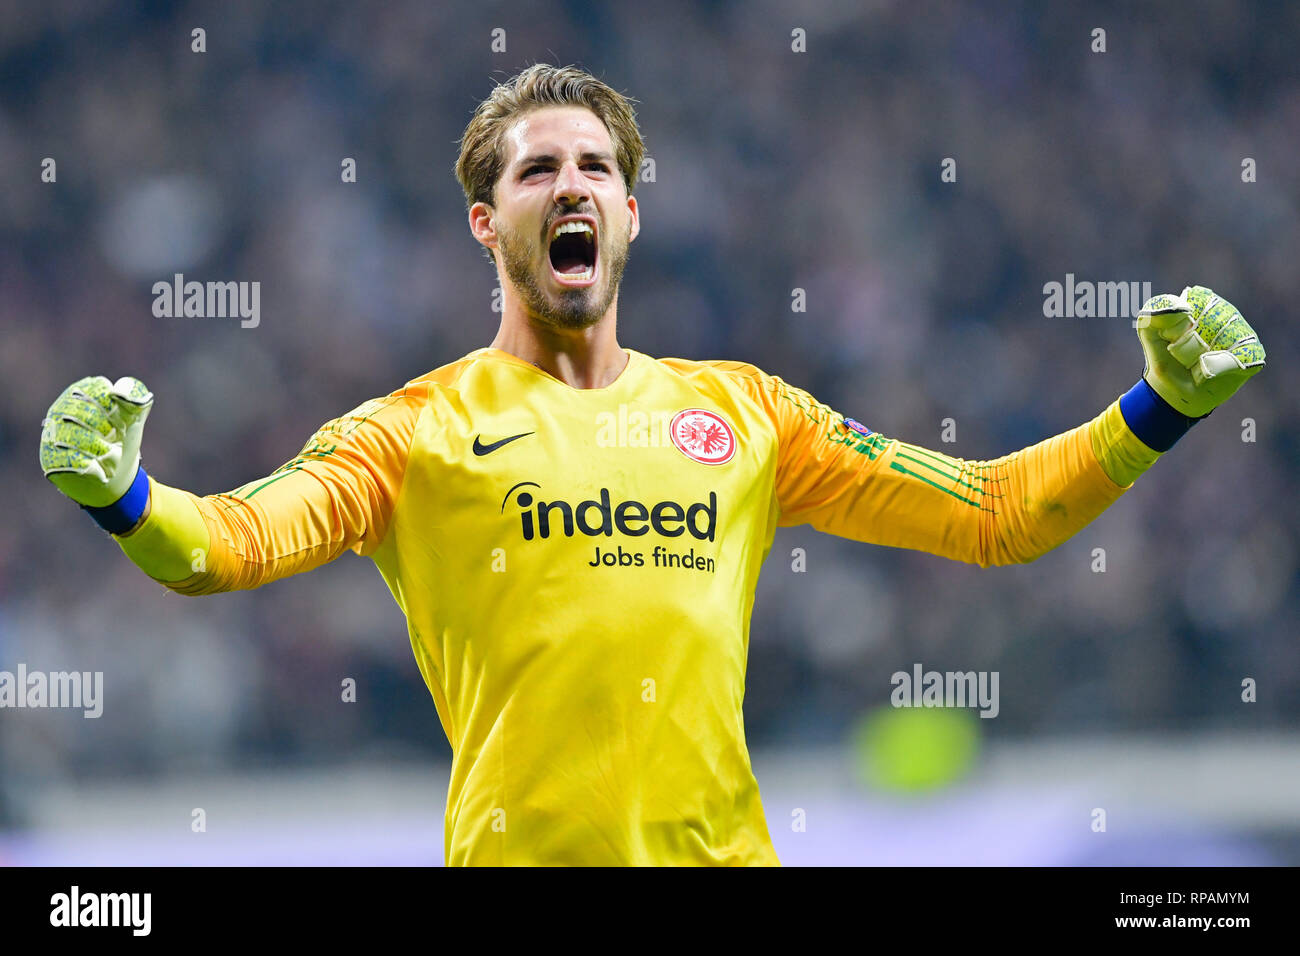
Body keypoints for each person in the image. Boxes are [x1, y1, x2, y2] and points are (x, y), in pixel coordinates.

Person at [38, 63, 1266, 866]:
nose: (570, 184)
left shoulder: (746, 415)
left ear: (629, 214)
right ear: (488, 220)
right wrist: (122, 494)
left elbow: (996, 513)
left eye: (596, 170)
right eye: (537, 170)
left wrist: (1155, 407)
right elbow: (228, 546)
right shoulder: (411, 431)